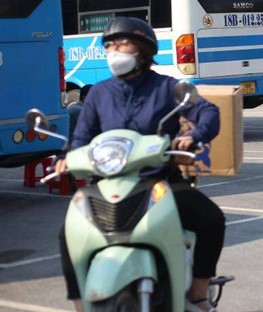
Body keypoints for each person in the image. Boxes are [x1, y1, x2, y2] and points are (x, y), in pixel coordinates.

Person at [53, 17, 223, 312]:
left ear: (143, 49)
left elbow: (207, 111)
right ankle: (80, 303)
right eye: (108, 45)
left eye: (121, 43)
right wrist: (64, 158)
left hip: (159, 182)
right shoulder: (99, 94)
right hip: (106, 186)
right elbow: (81, 136)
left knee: (211, 219)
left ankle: (197, 293)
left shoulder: (168, 88)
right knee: (68, 232)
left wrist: (194, 135)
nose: (113, 51)